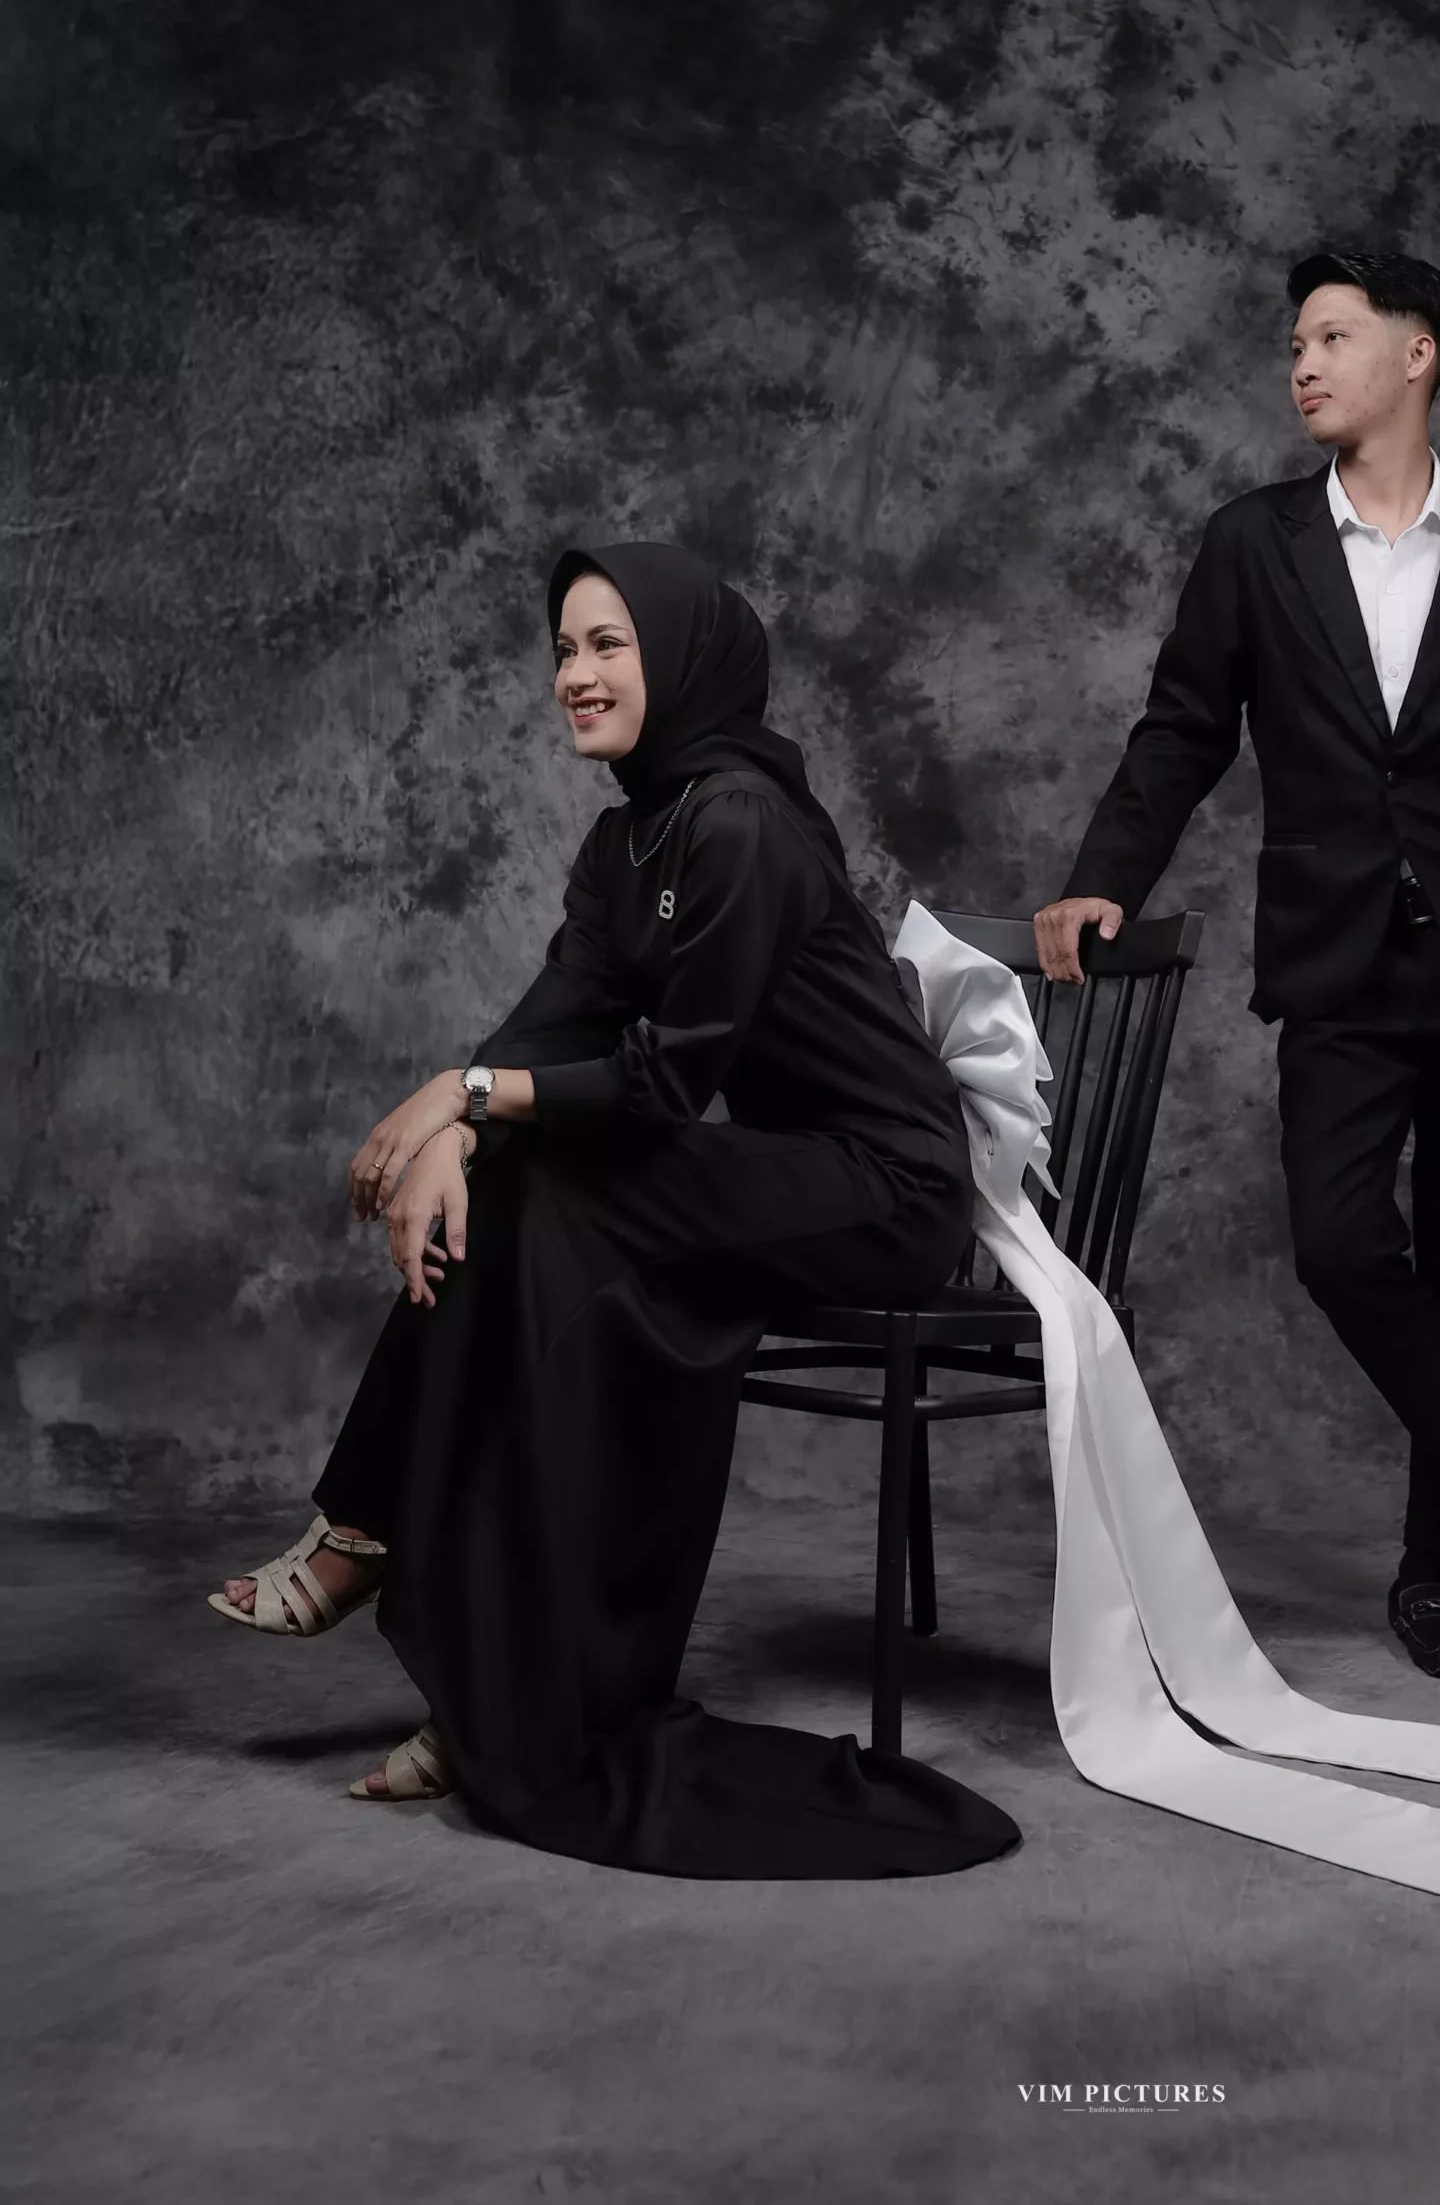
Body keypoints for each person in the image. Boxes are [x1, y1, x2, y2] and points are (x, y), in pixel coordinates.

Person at [208, 540, 1021, 1878]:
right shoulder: (625, 837)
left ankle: (370, 1537)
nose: (572, 675)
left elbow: (668, 1079)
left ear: (684, 659)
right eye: (563, 649)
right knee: (545, 1235)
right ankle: (504, 1690)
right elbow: (557, 1021)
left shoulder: (739, 822)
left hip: (881, 1187)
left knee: (553, 1194)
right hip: (778, 1172)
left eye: (607, 645)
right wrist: (456, 1133)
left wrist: (460, 1098)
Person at [1035, 249, 1440, 1684]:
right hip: (1338, 962)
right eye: (1295, 344)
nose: (1301, 364)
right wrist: (1104, 876)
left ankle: (1432, 1576)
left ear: (1417, 355)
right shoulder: (1252, 543)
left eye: (1331, 337)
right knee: (1343, 1245)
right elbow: (1183, 729)